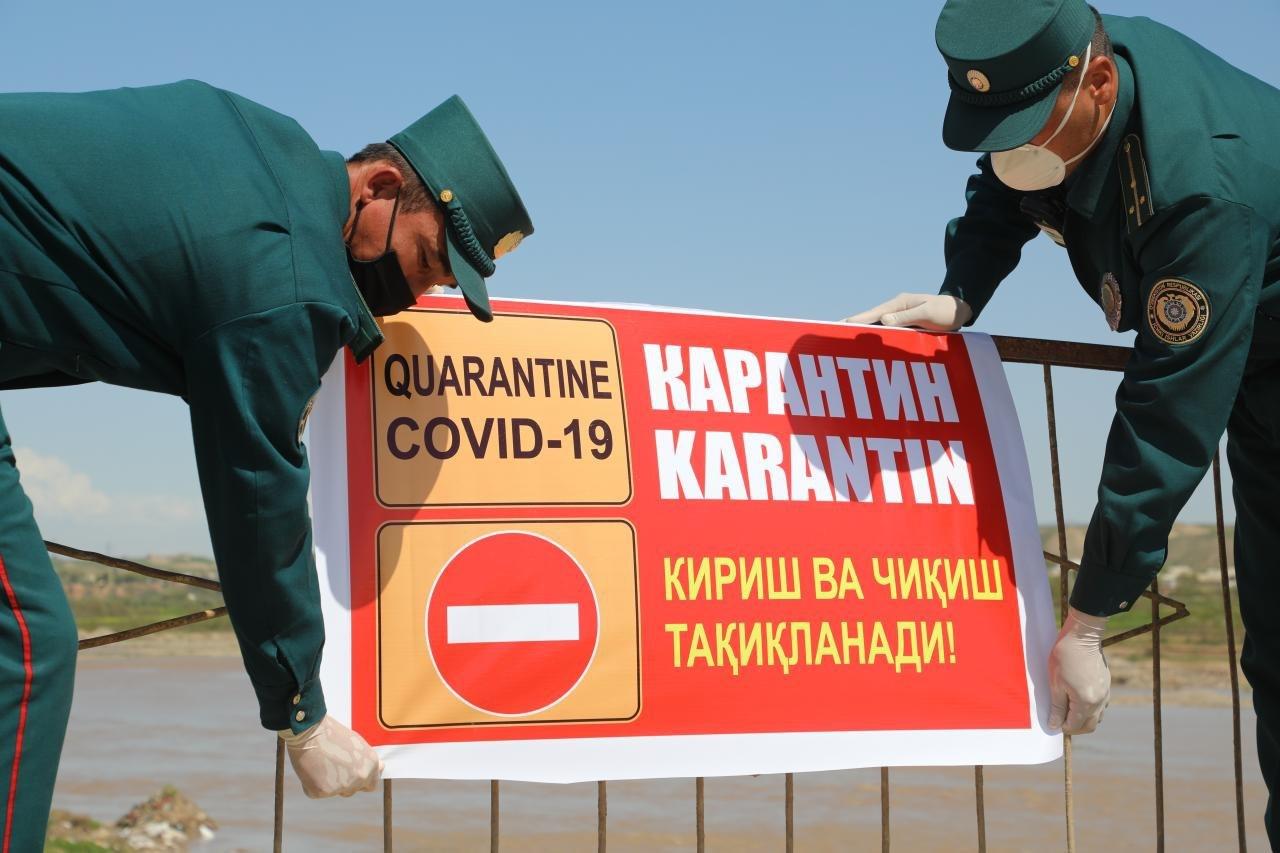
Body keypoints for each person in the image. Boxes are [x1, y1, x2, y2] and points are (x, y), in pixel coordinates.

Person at [0, 81, 533, 848]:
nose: (416, 295)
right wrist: (301, 713)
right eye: (424, 261)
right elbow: (258, 495)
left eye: (438, 284)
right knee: (27, 645)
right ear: (380, 186)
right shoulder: (285, 276)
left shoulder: (267, 148)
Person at [850, 0, 1280, 843]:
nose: (1013, 152)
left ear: (1101, 86)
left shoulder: (1197, 186)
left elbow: (1165, 420)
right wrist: (962, 292)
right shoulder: (1056, 69)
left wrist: (1089, 619)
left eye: (1026, 131)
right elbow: (1004, 181)